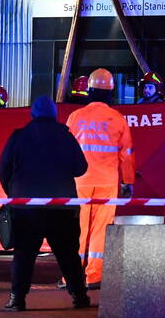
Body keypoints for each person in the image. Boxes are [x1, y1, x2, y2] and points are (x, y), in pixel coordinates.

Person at [0, 96, 90, 311]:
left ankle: (17, 299)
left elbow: (4, 169)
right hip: (62, 207)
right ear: (54, 114)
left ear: (33, 114)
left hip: (27, 207)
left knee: (23, 254)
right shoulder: (65, 137)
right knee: (68, 254)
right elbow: (80, 168)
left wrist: (14, 194)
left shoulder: (19, 137)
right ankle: (79, 297)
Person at [65, 68, 135, 289]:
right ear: (110, 93)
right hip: (107, 181)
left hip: (80, 182)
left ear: (90, 91)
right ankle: (94, 276)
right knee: (101, 230)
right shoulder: (117, 119)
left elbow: (66, 150)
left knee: (77, 229)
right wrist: (128, 182)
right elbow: (127, 154)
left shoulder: (75, 117)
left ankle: (72, 276)